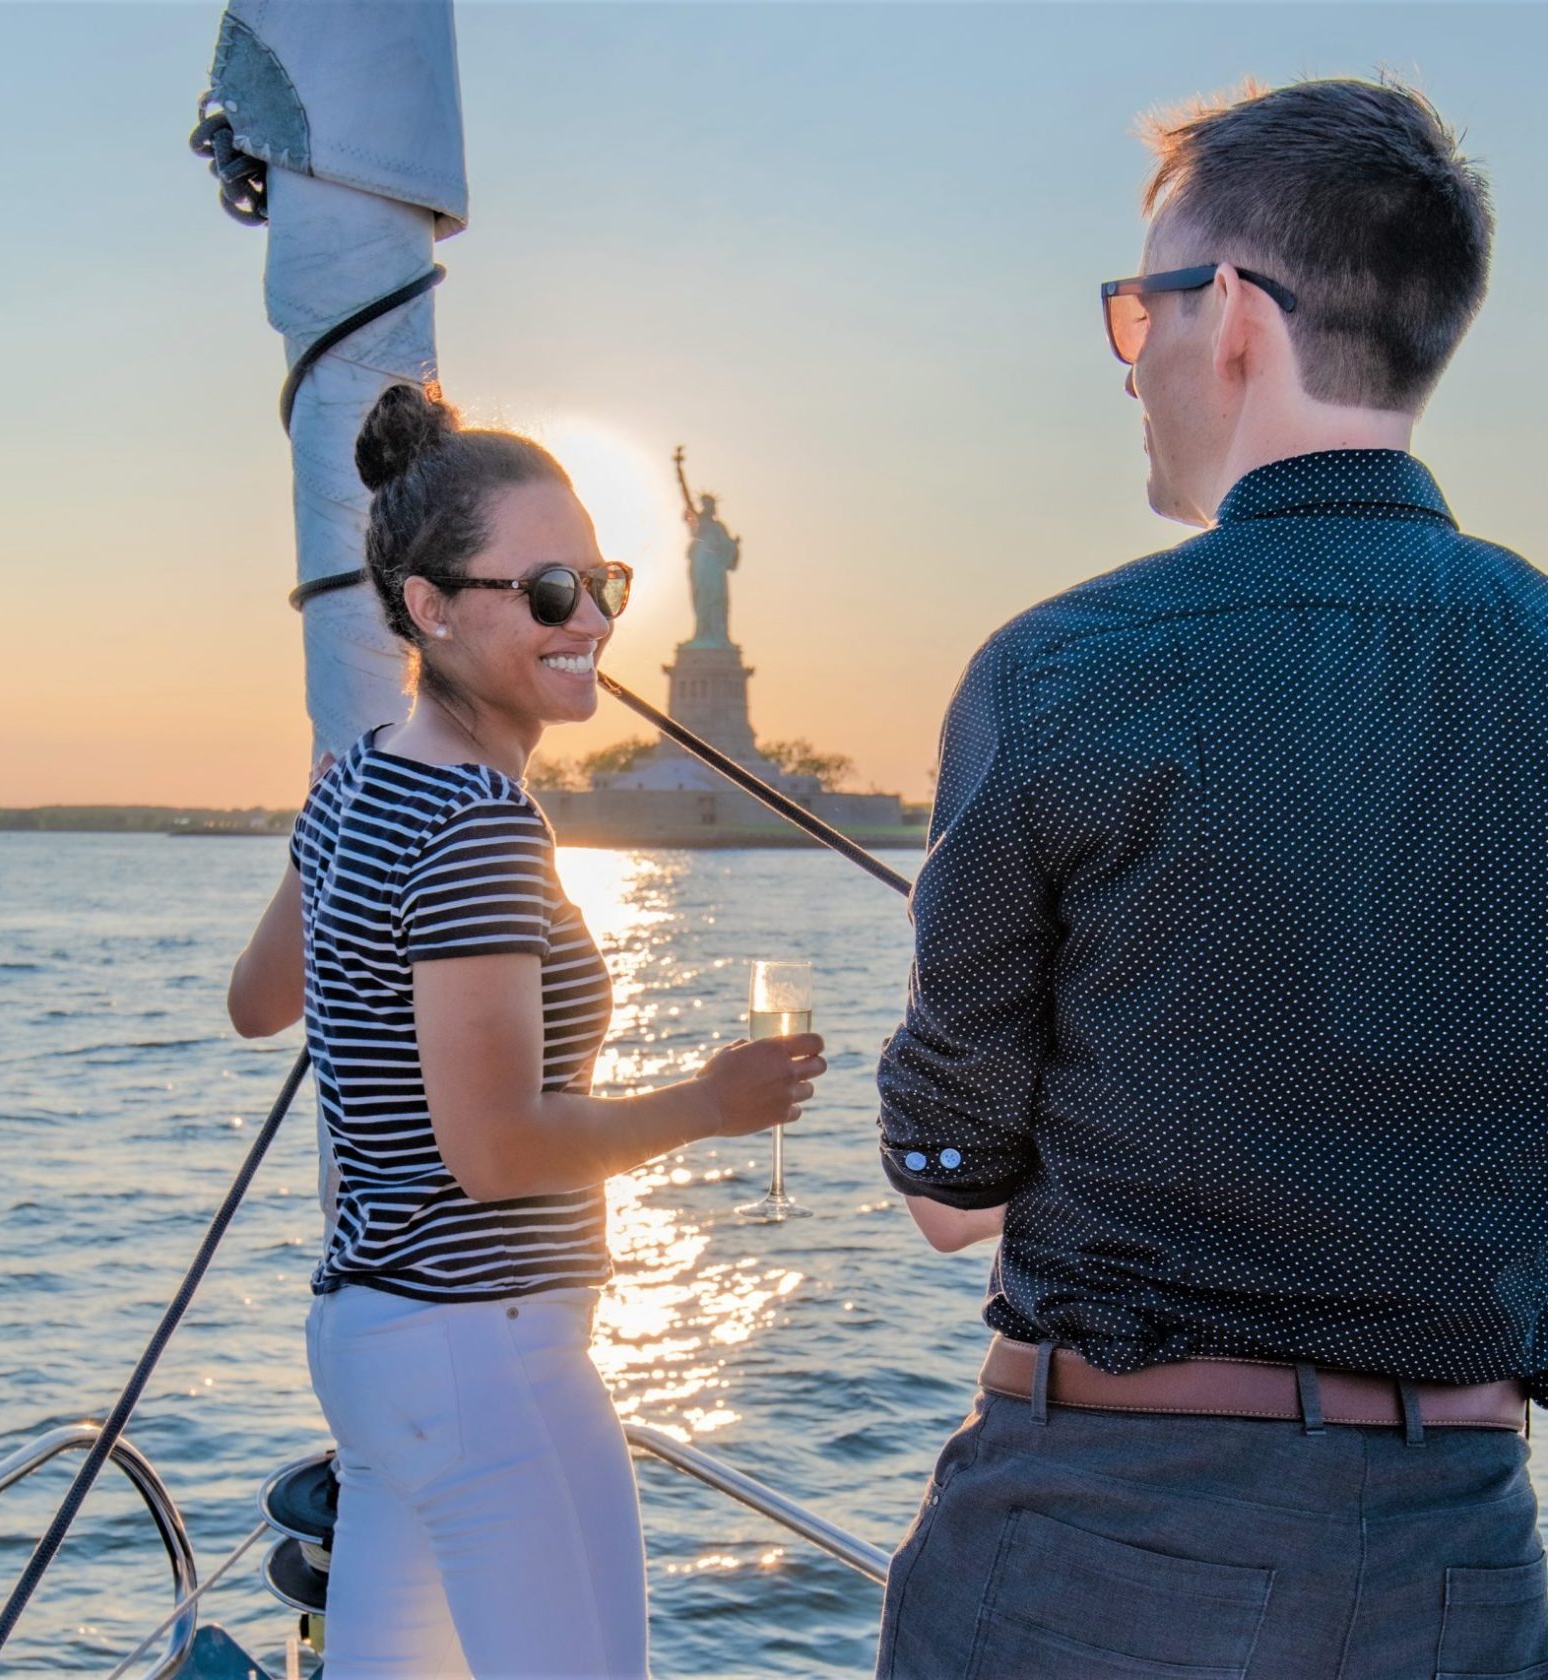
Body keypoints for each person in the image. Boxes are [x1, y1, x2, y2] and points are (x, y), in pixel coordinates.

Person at [875, 76, 1548, 1679]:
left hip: (1102, 1545)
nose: (1135, 365)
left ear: (1233, 316)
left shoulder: (1068, 669)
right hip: (1466, 1560)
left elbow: (945, 1184)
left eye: (1141, 309)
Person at [227, 382, 827, 1679]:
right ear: (431, 607)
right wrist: (711, 1105)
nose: (595, 621)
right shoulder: (480, 829)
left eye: (601, 582)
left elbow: (258, 1002)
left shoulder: (363, 789)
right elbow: (494, 1153)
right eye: (548, 594)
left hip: (378, 1350)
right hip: (484, 1343)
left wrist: (332, 833)